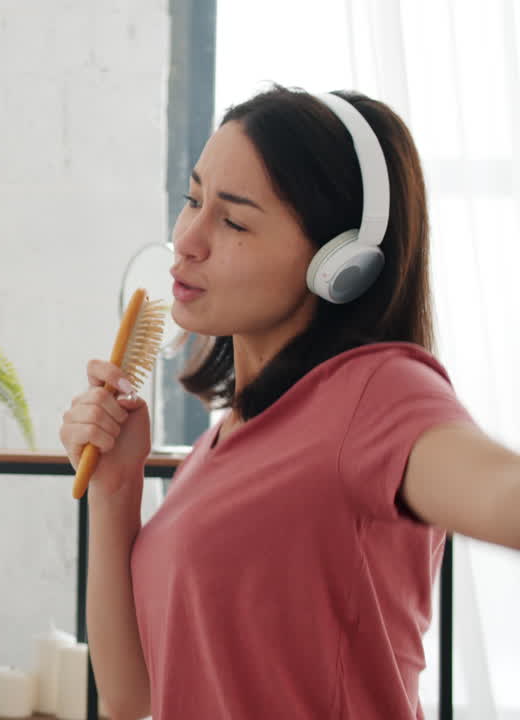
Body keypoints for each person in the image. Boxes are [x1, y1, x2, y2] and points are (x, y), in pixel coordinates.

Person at [58, 85, 520, 719]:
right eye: (194, 199)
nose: (189, 238)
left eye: (234, 219)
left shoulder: (376, 393)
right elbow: (130, 695)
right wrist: (115, 490)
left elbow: (504, 495)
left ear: (339, 261)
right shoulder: (222, 443)